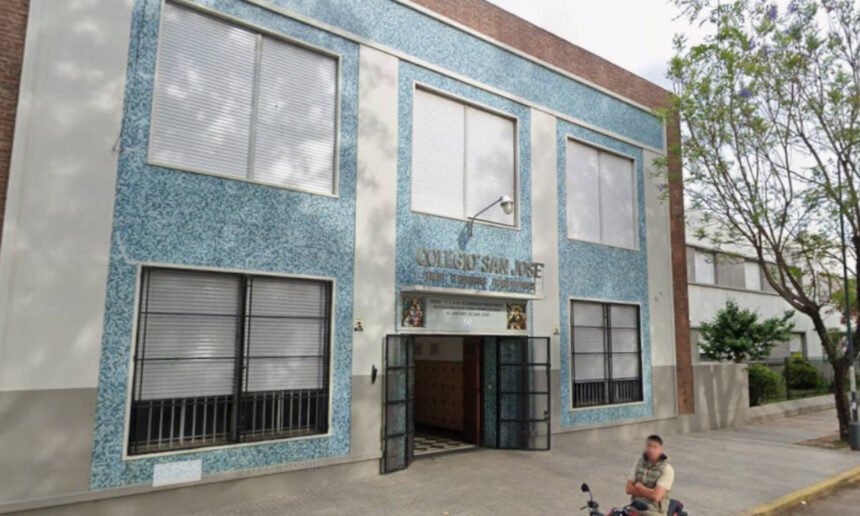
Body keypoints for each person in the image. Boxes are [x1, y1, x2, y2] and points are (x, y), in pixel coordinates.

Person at [625, 434, 674, 515]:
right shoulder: (638, 463)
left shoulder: (667, 469)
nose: (651, 450)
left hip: (655, 512)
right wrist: (650, 492)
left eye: (655, 447)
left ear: (661, 450)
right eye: (649, 446)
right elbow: (628, 489)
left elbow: (656, 496)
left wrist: (639, 487)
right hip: (635, 508)